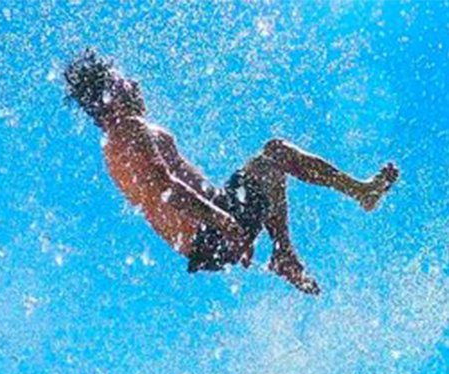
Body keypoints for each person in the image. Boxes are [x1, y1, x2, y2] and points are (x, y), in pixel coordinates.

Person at [64, 50, 399, 295]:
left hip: (206, 233)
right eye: (124, 81)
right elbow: (164, 188)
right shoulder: (128, 128)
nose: (135, 84)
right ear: (110, 94)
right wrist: (223, 221)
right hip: (211, 227)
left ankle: (284, 254)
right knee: (275, 154)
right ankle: (359, 193)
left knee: (267, 171)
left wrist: (220, 220)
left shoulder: (114, 142)